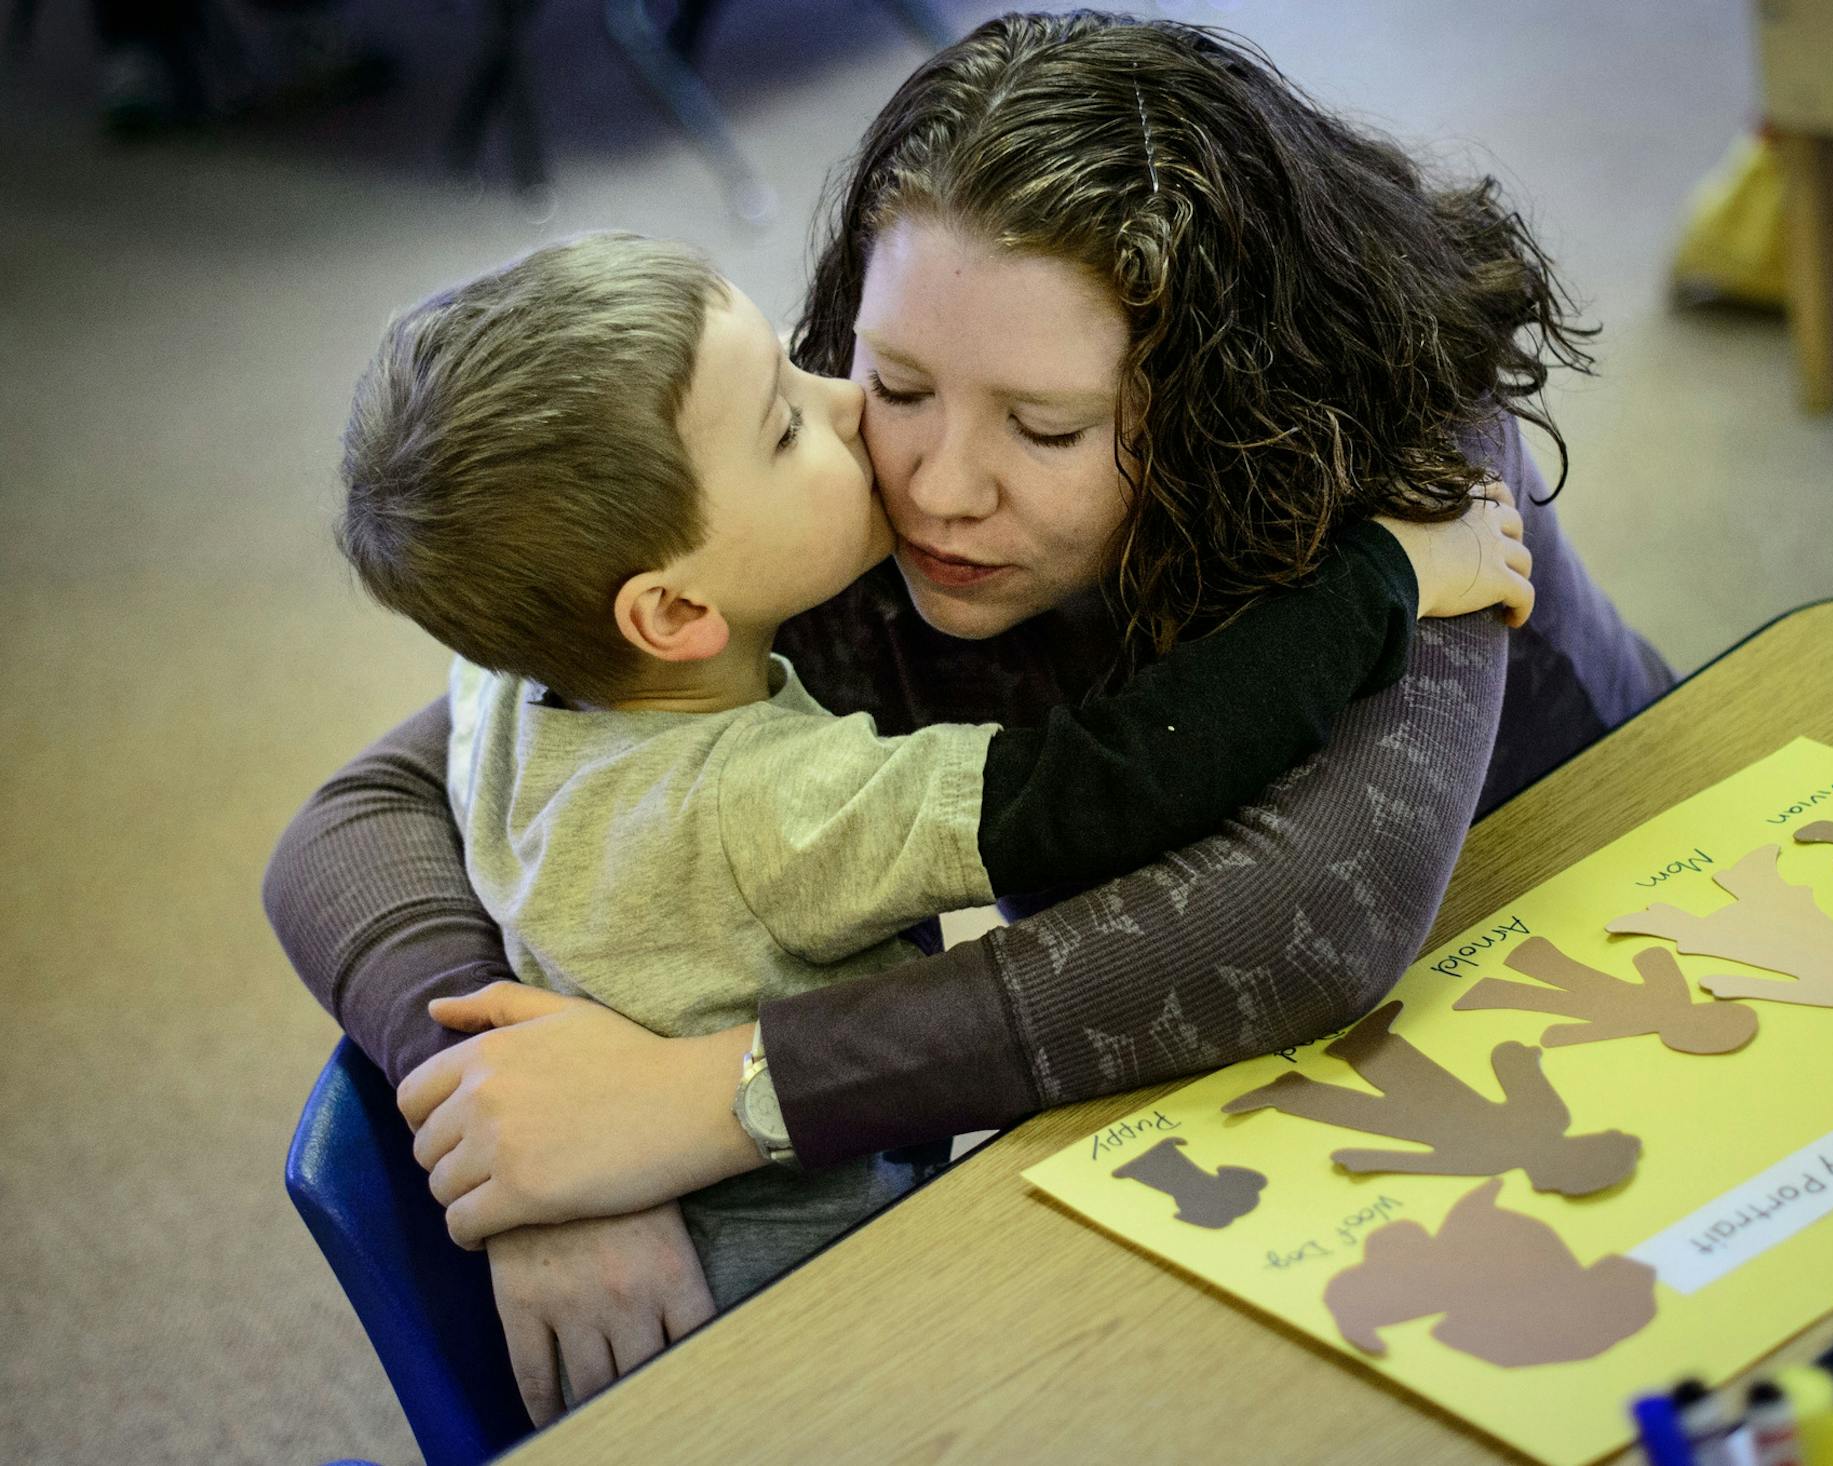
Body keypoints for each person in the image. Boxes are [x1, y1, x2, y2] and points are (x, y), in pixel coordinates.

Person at [265, 11, 1673, 1425]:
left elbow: (1311, 915)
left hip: (1596, 943)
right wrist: (512, 1130)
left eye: (1044, 430)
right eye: (893, 384)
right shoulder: (805, 506)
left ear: (1218, 405)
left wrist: (705, 1101)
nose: (936, 488)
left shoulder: (1408, 448)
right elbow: (363, 817)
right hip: (1209, 1093)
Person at [334, 229, 1533, 1312]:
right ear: (673, 611)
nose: (849, 406)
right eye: (787, 424)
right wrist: (1383, 579)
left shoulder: (498, 687)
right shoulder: (770, 802)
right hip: (829, 1290)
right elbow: (1114, 779)